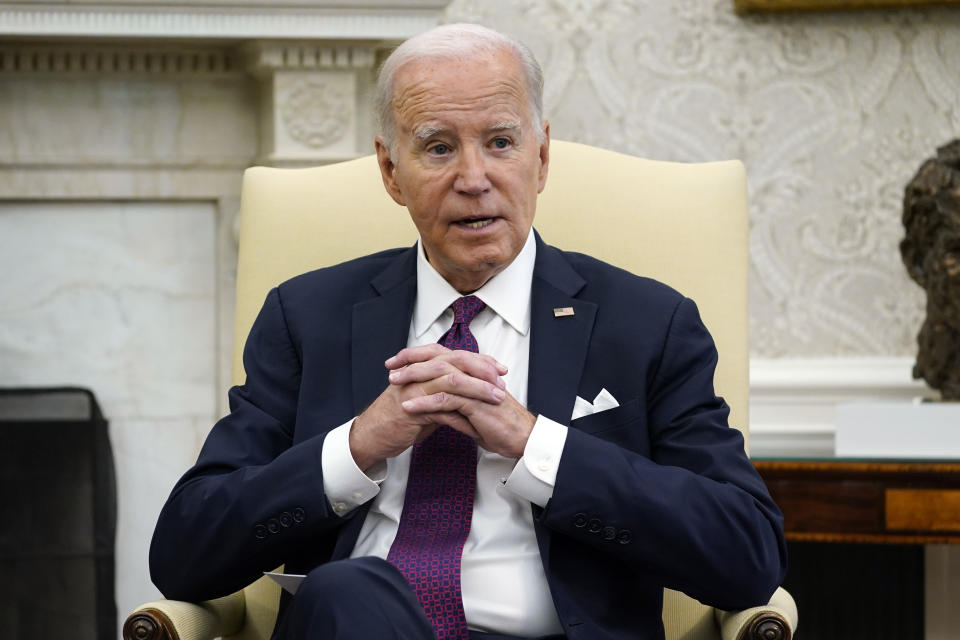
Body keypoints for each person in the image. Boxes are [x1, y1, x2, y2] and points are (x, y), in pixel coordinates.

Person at [150, 23, 786, 640]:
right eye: (438, 147)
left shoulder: (648, 324)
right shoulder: (308, 316)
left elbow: (747, 554)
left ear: (541, 157)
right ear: (390, 171)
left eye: (501, 143)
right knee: (347, 588)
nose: (474, 178)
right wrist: (359, 445)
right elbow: (184, 552)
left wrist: (533, 444)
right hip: (358, 626)